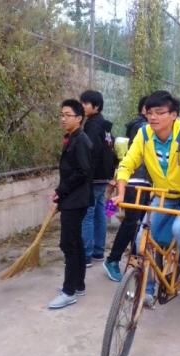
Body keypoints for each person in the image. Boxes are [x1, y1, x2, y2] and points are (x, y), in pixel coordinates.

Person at [113, 90, 180, 306]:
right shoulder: (145, 134)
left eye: (160, 112)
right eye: (149, 112)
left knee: (179, 228)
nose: (153, 117)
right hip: (164, 193)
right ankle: (147, 289)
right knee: (142, 240)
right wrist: (120, 192)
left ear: (174, 114)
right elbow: (128, 163)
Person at [48, 99, 93, 309]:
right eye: (62, 114)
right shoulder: (72, 138)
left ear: (79, 118)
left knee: (68, 244)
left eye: (67, 115)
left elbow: (83, 172)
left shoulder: (81, 141)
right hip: (72, 199)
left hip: (76, 201)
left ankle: (68, 292)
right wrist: (61, 193)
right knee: (75, 242)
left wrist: (61, 190)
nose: (63, 119)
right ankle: (78, 284)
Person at [103, 96, 151, 282]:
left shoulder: (139, 125)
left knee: (136, 222)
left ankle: (132, 260)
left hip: (140, 181)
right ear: (146, 109)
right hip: (135, 181)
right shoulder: (142, 128)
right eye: (155, 111)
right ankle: (112, 260)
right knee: (131, 221)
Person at [80, 90, 114, 267]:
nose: (83, 106)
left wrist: (86, 176)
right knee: (100, 212)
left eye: (86, 103)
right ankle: (99, 251)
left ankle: (86, 255)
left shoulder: (92, 126)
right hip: (104, 176)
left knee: (88, 214)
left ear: (97, 106)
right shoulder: (105, 126)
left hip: (93, 177)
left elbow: (91, 152)